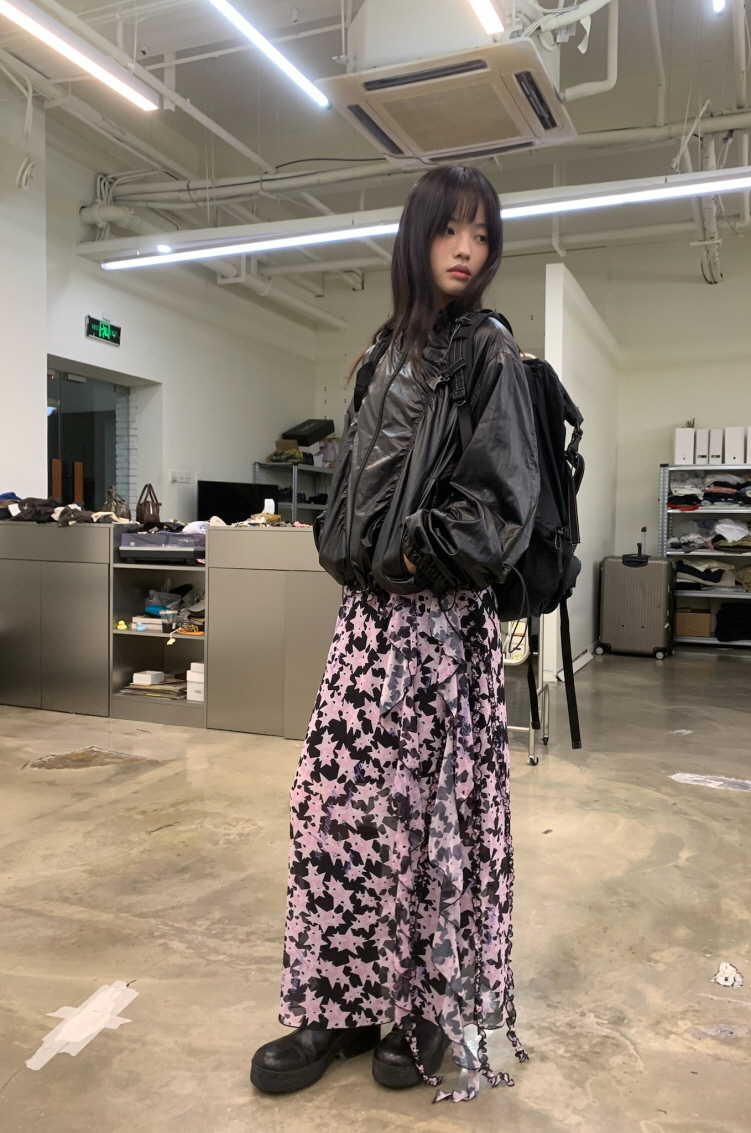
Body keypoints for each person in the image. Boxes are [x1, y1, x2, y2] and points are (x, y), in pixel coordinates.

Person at [250, 164, 540, 1103]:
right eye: (451, 230)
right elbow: (354, 483)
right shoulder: (385, 350)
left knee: (432, 826)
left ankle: (422, 1007)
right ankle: (338, 1003)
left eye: (483, 234)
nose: (468, 249)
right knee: (334, 810)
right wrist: (346, 544)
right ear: (417, 237)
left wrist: (406, 555)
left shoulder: (489, 351)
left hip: (442, 627)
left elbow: (499, 507)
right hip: (369, 625)